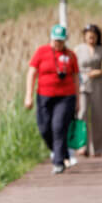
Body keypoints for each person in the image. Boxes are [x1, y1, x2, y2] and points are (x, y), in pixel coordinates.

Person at [24, 24, 80, 174]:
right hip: (44, 96)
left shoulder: (70, 55)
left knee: (58, 126)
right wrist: (28, 96)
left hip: (66, 97)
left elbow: (75, 77)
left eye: (61, 41)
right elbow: (32, 73)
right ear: (51, 39)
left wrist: (78, 100)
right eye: (56, 40)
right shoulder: (41, 52)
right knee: (44, 128)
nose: (58, 44)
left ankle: (58, 162)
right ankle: (62, 153)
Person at [74, 23, 102, 155]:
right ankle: (81, 145)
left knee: (99, 115)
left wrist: (99, 72)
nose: (91, 39)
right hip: (82, 84)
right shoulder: (78, 49)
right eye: (89, 36)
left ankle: (100, 147)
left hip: (98, 83)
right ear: (84, 37)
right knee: (82, 112)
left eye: (94, 37)